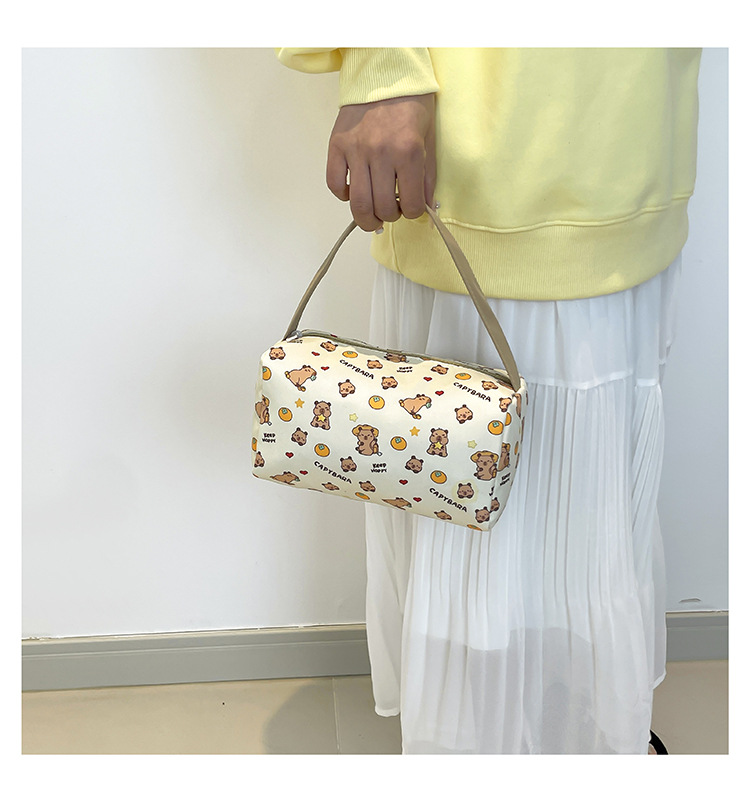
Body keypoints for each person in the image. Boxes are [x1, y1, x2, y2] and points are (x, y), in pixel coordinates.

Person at [275, 47, 702, 754]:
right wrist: (385, 72)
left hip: (636, 128)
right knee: (468, 500)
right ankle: (479, 742)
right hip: (484, 132)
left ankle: (561, 724)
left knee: (589, 498)